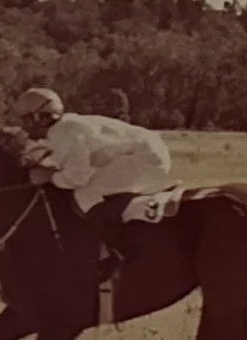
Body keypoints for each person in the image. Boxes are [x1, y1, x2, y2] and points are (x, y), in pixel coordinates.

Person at [10, 87, 175, 269]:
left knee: (85, 193)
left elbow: (77, 177)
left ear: (40, 117)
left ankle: (120, 250)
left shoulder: (63, 132)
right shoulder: (63, 128)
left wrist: (49, 177)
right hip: (145, 152)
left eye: (26, 119)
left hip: (147, 158)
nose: (24, 127)